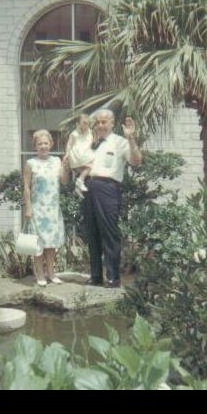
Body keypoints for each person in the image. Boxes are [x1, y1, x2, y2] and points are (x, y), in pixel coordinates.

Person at [79, 109, 142, 288]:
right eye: (97, 122)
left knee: (109, 233)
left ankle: (113, 277)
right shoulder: (91, 143)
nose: (100, 125)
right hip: (88, 187)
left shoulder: (120, 142)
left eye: (104, 122)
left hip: (108, 188)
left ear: (112, 123)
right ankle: (96, 276)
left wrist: (131, 138)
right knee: (92, 233)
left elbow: (136, 161)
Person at [24, 129, 70, 287]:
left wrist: (65, 166)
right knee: (38, 245)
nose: (43, 146)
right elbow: (26, 187)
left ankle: (51, 273)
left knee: (51, 244)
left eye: (45, 143)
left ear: (51, 144)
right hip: (38, 209)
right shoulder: (31, 163)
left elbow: (64, 181)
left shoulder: (56, 161)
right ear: (35, 146)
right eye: (39, 144)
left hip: (52, 209)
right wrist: (28, 208)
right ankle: (40, 274)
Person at [64, 113, 95, 197]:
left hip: (83, 154)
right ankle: (80, 180)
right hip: (79, 154)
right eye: (84, 123)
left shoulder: (90, 132)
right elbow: (69, 144)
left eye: (87, 123)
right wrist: (67, 154)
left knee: (88, 170)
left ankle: (79, 185)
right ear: (78, 124)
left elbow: (92, 141)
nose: (86, 126)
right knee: (91, 165)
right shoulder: (74, 134)